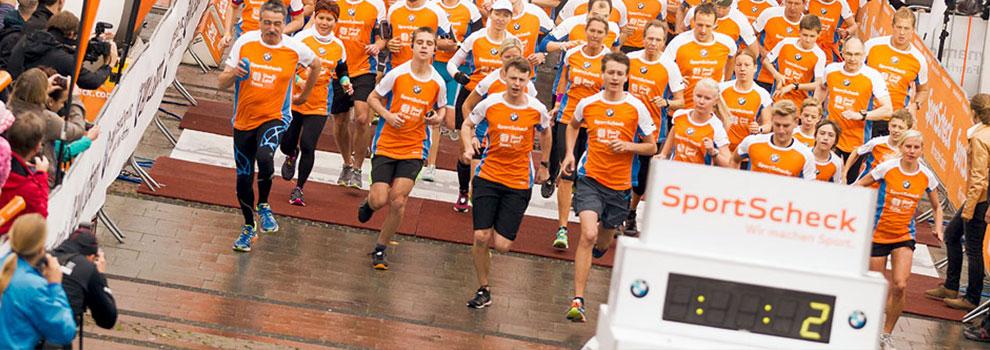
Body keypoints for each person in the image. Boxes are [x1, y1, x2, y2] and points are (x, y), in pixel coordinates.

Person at [561, 52, 657, 322]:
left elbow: (652, 146)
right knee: (588, 234)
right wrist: (569, 154)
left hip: (619, 186)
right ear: (602, 74)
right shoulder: (588, 103)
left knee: (602, 242)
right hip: (590, 178)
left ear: (626, 77)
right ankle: (578, 300)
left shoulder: (636, 107)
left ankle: (594, 254)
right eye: (610, 72)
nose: (614, 78)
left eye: (619, 73)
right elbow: (572, 126)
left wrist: (628, 146)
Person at [218, 0, 321, 252]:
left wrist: (305, 95)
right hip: (243, 119)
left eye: (277, 23)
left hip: (275, 117)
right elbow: (221, 82)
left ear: (284, 24)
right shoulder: (245, 42)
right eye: (267, 23)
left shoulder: (294, 48)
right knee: (243, 177)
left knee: (265, 156)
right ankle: (248, 226)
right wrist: (233, 74)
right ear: (260, 22)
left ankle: (264, 204)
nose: (272, 28)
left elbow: (316, 64)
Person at [460, 58, 551, 309]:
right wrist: (468, 146)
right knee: (481, 236)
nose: (517, 84)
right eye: (513, 78)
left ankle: (487, 252)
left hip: (518, 181)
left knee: (502, 245)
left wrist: (544, 163)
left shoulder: (536, 108)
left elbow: (546, 131)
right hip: (488, 176)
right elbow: (467, 124)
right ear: (504, 76)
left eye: (522, 79)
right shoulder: (491, 103)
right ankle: (484, 288)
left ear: (528, 80)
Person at [357, 27, 446, 270]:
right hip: (387, 143)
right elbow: (372, 98)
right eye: (420, 42)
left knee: (398, 200)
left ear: (434, 49)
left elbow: (441, 110)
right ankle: (369, 204)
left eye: (429, 43)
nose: (424, 46)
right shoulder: (397, 74)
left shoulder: (437, 82)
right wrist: (387, 115)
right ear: (412, 46)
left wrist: (436, 118)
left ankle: (381, 247)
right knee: (380, 199)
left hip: (415, 147)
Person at [854, 130, 942, 350]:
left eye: (916, 147)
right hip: (878, 234)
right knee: (876, 286)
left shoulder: (926, 175)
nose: (911, 151)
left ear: (922, 150)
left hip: (904, 235)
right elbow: (860, 185)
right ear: (901, 147)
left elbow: (937, 206)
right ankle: (867, 328)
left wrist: (938, 227)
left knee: (900, 285)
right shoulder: (887, 168)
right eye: (908, 147)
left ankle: (886, 333)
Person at [545, 16, 610, 251]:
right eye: (592, 30)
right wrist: (557, 104)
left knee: (590, 175)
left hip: (594, 123)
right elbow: (563, 82)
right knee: (567, 171)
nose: (595, 35)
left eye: (599, 32)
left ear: (605, 35)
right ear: (585, 31)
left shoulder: (608, 59)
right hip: (568, 118)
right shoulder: (572, 54)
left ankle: (589, 221)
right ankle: (562, 228)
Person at [279, 0, 351, 206]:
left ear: (336, 22)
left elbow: (342, 70)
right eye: (321, 18)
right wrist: (299, 80)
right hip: (295, 100)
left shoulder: (338, 46)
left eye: (329, 19)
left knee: (309, 144)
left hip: (320, 103)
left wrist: (346, 83)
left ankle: (299, 188)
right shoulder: (302, 39)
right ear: (315, 17)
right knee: (287, 143)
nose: (324, 23)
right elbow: (287, 66)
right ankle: (291, 154)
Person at [448, 0, 516, 212]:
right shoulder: (476, 37)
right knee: (465, 150)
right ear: (490, 13)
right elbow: (452, 63)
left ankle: (482, 194)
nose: (501, 19)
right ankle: (463, 191)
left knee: (489, 148)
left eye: (505, 15)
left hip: (498, 100)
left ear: (511, 18)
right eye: (498, 14)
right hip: (472, 96)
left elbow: (519, 71)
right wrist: (458, 76)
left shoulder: (513, 42)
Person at [928, 94, 990, 313]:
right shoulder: (982, 134)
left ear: (974, 112)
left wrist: (970, 208)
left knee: (973, 249)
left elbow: (979, 178)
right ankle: (951, 286)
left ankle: (971, 297)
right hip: (980, 197)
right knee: (952, 235)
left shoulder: (980, 137)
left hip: (980, 199)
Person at [622, 20, 685, 236]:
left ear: (664, 42)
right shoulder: (630, 59)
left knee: (642, 179)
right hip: (626, 125)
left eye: (658, 40)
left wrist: (666, 103)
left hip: (653, 129)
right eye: (650, 38)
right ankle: (617, 212)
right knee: (622, 169)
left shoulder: (669, 66)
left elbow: (681, 101)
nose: (653, 43)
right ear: (643, 39)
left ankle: (631, 212)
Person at [814, 36, 892, 181]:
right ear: (842, 53)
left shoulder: (872, 76)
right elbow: (822, 87)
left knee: (849, 182)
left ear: (864, 55)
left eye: (857, 54)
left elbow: (888, 110)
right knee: (824, 177)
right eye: (849, 54)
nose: (852, 59)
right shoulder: (831, 70)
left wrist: (861, 116)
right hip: (831, 136)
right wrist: (816, 106)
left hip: (856, 141)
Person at [422, 0, 481, 182]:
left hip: (457, 69)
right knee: (435, 118)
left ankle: (464, 162)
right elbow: (422, 36)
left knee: (452, 121)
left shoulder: (470, 9)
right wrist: (438, 44)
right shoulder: (432, 6)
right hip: (435, 65)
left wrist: (458, 46)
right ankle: (430, 165)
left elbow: (477, 39)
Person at [330, 0, 385, 189]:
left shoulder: (376, 5)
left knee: (362, 118)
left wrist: (377, 45)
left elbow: (383, 37)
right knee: (340, 120)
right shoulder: (334, 3)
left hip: (364, 69)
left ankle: (358, 169)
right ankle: (347, 163)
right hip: (338, 69)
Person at [0, 214, 76, 348]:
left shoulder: (5, 267)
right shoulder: (33, 286)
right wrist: (55, 286)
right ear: (41, 248)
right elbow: (65, 332)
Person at [7, 68, 85, 179]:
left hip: (10, 171)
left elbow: (27, 100)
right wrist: (75, 99)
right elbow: (78, 130)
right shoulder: (46, 119)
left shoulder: (6, 109)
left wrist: (42, 88)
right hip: (40, 176)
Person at [7, 11, 117, 90]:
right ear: (71, 34)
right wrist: (109, 65)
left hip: (14, 97)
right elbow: (92, 81)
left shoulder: (29, 40)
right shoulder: (62, 58)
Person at [864, 7, 930, 137]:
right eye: (899, 27)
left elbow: (923, 90)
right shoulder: (872, 46)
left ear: (913, 30)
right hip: (866, 113)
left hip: (894, 120)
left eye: (906, 28)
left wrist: (915, 105)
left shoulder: (919, 59)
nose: (902, 33)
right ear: (892, 26)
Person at [661, 2, 736, 109]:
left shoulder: (727, 43)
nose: (703, 30)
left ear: (715, 24)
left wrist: (726, 82)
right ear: (694, 22)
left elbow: (732, 57)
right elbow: (662, 67)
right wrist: (675, 78)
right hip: (682, 108)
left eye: (708, 26)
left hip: (711, 110)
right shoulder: (678, 42)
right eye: (700, 25)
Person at [52, 224, 118, 341]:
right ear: (91, 257)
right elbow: (108, 319)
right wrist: (101, 275)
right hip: (55, 338)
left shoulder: (44, 257)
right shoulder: (86, 268)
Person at [730, 100, 816, 179]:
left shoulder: (805, 155)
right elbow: (734, 160)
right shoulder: (753, 142)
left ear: (796, 122)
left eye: (786, 126)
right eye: (777, 125)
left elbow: (809, 186)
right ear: (772, 121)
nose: (781, 130)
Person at [658, 78, 730, 166]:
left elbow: (728, 164)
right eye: (698, 96)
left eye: (707, 98)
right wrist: (663, 154)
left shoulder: (716, 127)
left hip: (698, 173)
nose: (701, 101)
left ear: (715, 101)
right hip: (674, 171)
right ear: (693, 95)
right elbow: (672, 136)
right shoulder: (679, 115)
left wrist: (713, 152)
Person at [763, 15, 826, 107]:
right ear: (799, 31)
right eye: (805, 35)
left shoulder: (819, 55)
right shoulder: (786, 43)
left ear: (819, 34)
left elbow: (817, 84)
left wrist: (794, 86)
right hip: (777, 98)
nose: (808, 40)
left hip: (799, 103)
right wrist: (776, 74)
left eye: (812, 36)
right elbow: (766, 61)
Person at [0, 112, 48, 234]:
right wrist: (41, 175)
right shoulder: (28, 187)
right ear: (37, 147)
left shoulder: (4, 163)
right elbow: (40, 216)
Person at [719, 51, 772, 152]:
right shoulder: (722, 89)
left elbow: (768, 125)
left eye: (747, 65)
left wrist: (759, 129)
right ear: (734, 67)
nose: (742, 69)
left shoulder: (762, 94)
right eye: (739, 65)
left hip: (744, 150)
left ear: (755, 68)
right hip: (722, 148)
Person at [845, 109, 913, 183]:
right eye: (893, 126)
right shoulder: (877, 142)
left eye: (901, 128)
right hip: (864, 186)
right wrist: (844, 173)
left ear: (908, 130)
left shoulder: (908, 151)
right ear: (889, 126)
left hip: (887, 188)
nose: (896, 130)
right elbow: (856, 152)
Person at [383, 0, 454, 70]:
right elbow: (384, 39)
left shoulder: (436, 11)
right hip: (394, 69)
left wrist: (428, 41)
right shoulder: (393, 9)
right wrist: (388, 44)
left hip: (423, 71)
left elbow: (452, 44)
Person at [753, 0, 804, 92]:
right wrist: (762, 51)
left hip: (786, 83)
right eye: (789, 2)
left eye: (796, 4)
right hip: (761, 76)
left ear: (804, 4)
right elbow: (750, 35)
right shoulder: (770, 13)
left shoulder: (805, 25)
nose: (792, 7)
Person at [682, 0, 757, 57]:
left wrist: (738, 61)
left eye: (725, 8)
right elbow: (683, 29)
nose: (721, 12)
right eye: (718, 7)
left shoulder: (739, 19)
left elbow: (754, 49)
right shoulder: (695, 12)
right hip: (695, 59)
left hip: (723, 64)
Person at [222, 0, 305, 47]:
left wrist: (279, 31)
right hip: (245, 35)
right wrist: (227, 32)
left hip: (273, 40)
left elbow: (299, 21)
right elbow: (233, 6)